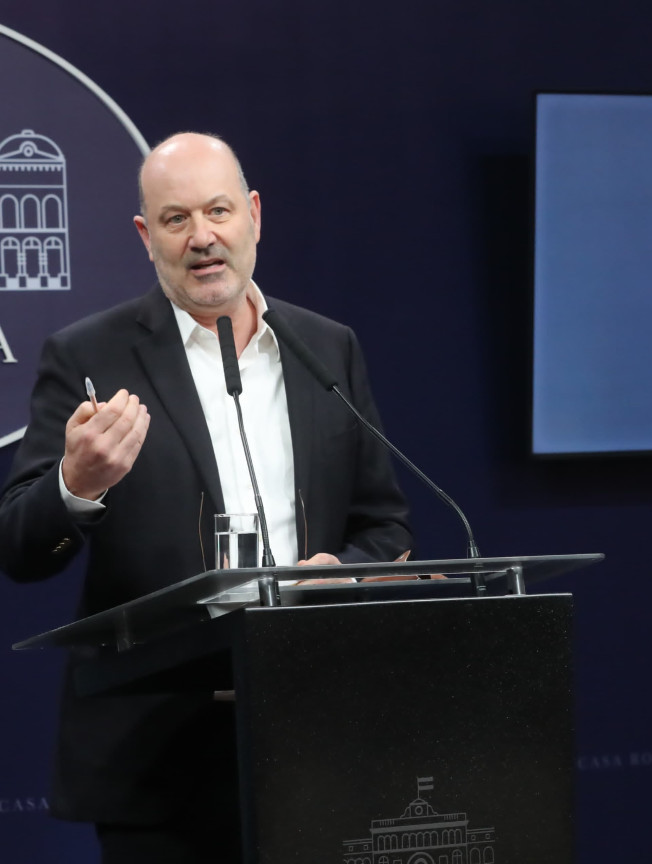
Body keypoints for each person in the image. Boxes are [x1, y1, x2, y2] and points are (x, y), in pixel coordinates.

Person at [0, 133, 412, 863]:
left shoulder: (326, 347)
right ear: (145, 234)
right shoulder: (89, 356)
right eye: (176, 218)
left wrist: (339, 574)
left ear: (253, 214)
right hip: (159, 761)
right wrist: (77, 486)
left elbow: (383, 525)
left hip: (317, 734)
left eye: (218, 211)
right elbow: (20, 549)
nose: (202, 237)